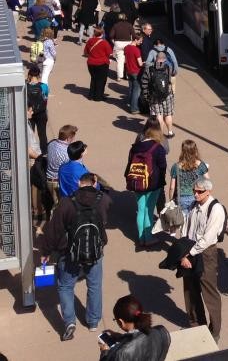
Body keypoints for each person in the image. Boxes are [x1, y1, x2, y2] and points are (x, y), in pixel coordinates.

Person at [40, 172, 110, 341]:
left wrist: (46, 252)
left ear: (79, 183)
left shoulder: (66, 204)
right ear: (94, 183)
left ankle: (69, 322)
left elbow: (54, 231)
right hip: (95, 251)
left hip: (69, 253)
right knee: (94, 285)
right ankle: (93, 321)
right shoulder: (103, 201)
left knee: (65, 286)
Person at [179, 177, 226, 343]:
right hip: (190, 250)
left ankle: (215, 331)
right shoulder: (193, 205)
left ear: (208, 191)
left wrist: (188, 254)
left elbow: (207, 238)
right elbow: (186, 228)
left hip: (206, 254)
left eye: (199, 192)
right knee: (190, 290)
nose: (196, 194)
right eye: (194, 191)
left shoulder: (216, 209)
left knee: (209, 292)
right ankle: (197, 324)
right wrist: (183, 251)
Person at [126, 124, 168, 249]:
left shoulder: (135, 147)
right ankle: (148, 238)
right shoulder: (158, 148)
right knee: (149, 211)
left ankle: (141, 237)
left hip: (137, 182)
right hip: (153, 184)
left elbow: (129, 163)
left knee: (141, 209)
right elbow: (163, 166)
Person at [97, 294, 171, 360]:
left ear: (121, 322)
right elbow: (139, 339)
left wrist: (104, 352)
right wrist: (122, 337)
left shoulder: (122, 353)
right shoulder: (162, 331)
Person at [142, 49, 177, 138]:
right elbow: (172, 77)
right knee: (168, 114)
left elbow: (144, 83)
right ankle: (170, 132)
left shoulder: (149, 69)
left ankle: (159, 135)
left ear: (155, 58)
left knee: (159, 116)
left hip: (154, 97)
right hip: (167, 95)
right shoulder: (168, 67)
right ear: (165, 59)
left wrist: (146, 96)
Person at [169, 140, 209, 217]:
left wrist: (171, 201)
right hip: (196, 196)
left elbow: (172, 187)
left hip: (181, 198)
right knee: (194, 220)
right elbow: (207, 181)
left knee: (182, 221)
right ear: (195, 150)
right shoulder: (200, 165)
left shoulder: (176, 167)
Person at [46, 124, 78, 207]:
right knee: (59, 207)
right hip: (58, 182)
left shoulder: (51, 143)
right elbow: (70, 169)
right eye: (73, 137)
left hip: (49, 179)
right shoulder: (66, 152)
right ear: (68, 138)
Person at [83, 27, 113, 100]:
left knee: (93, 79)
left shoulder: (90, 41)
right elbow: (110, 53)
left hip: (91, 63)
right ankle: (98, 96)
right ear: (102, 34)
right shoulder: (104, 42)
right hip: (102, 63)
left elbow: (85, 52)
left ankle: (91, 95)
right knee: (101, 80)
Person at [26, 63, 50, 151]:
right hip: (41, 113)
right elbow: (46, 97)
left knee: (30, 134)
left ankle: (31, 151)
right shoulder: (44, 86)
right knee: (42, 134)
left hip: (29, 113)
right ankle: (44, 152)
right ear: (39, 75)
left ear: (29, 75)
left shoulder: (25, 86)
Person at [108, 5, 134, 80]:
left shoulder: (116, 25)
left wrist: (114, 42)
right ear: (126, 18)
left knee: (120, 61)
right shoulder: (129, 25)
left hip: (118, 43)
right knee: (128, 60)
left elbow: (111, 35)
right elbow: (134, 35)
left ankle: (119, 76)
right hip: (128, 43)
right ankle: (127, 75)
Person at [124, 32, 144, 113]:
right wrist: (144, 63)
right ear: (136, 40)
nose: (141, 42)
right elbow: (140, 63)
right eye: (140, 41)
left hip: (129, 71)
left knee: (131, 89)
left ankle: (130, 102)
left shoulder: (126, 48)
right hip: (136, 72)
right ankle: (134, 108)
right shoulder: (137, 50)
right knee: (137, 91)